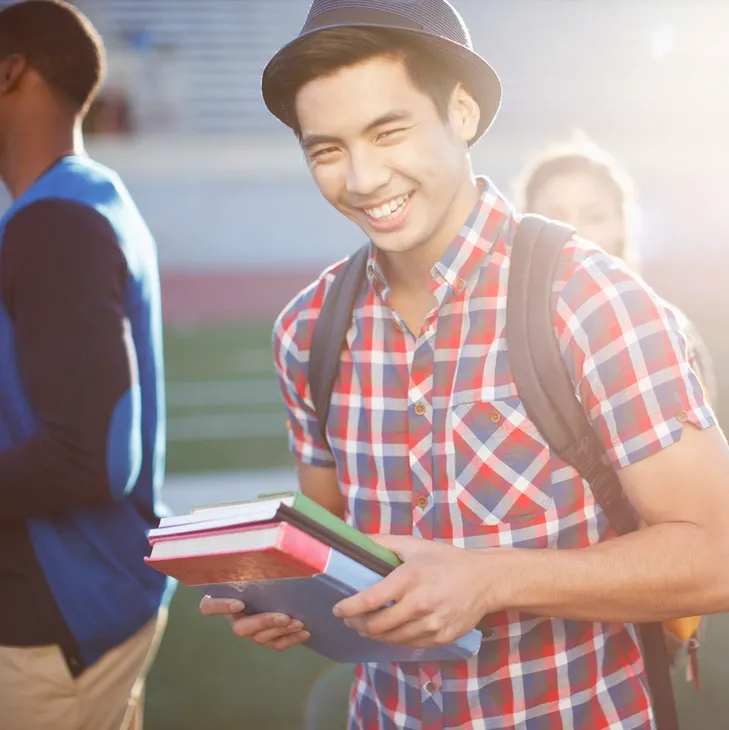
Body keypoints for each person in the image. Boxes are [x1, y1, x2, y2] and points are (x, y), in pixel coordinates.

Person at [200, 1, 729, 728]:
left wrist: (487, 580)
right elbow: (335, 543)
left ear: (461, 111)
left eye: (389, 132)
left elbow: (715, 554)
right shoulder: (306, 329)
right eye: (326, 150)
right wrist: (286, 594)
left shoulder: (585, 296)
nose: (360, 178)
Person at [0, 2, 171, 729]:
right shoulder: (84, 197)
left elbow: (91, 459)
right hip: (97, 594)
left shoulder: (54, 219)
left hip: (56, 616)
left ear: (11, 72)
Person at [514, 132, 717, 405]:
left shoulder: (665, 329)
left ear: (621, 226)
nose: (573, 230)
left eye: (595, 216)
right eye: (555, 216)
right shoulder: (497, 330)